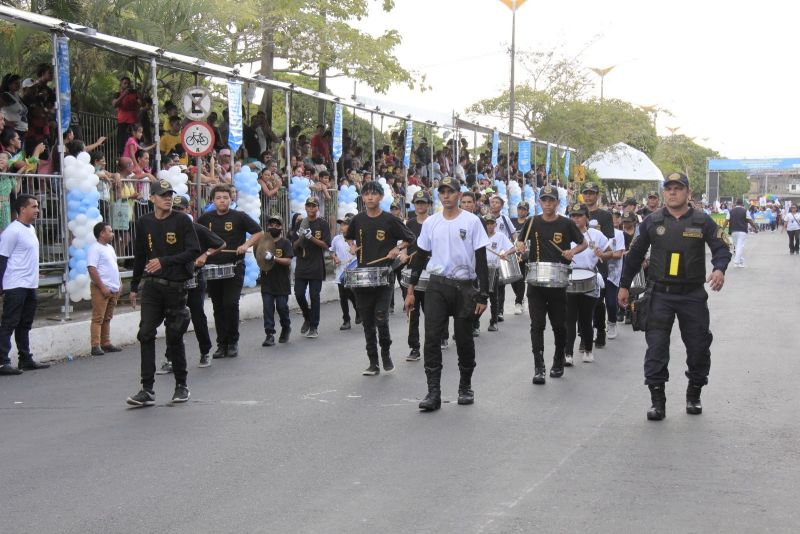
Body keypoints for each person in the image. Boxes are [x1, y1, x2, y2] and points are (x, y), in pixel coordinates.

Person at [618, 172, 732, 421]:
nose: (672, 192)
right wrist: (624, 285)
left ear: (688, 193)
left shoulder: (703, 221)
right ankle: (657, 400)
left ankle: (694, 392)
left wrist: (719, 268)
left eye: (678, 188)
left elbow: (722, 247)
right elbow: (635, 254)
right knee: (656, 348)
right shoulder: (651, 221)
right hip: (660, 294)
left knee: (699, 347)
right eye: (668, 188)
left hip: (692, 295)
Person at [404, 177, 490, 411]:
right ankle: (433, 392)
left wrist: (484, 295)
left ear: (459, 194)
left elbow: (481, 260)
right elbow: (420, 256)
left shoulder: (472, 221)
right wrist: (411, 289)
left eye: (450, 192)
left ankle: (465, 386)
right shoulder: (431, 223)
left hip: (464, 288)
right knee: (431, 338)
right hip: (437, 287)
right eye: (442, 191)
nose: (446, 196)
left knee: (463, 339)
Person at [126, 180, 200, 406]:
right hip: (152, 287)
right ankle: (146, 389)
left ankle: (181, 385)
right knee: (145, 333)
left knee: (174, 336)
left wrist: (164, 261)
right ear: (152, 198)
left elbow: (193, 250)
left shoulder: (182, 221)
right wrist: (133, 285)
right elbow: (140, 255)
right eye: (163, 194)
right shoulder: (144, 222)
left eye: (170, 194)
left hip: (176, 286)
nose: (167, 198)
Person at [515, 185, 586, 384]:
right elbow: (519, 242)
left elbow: (583, 243)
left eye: (551, 200)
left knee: (559, 326)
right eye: (544, 200)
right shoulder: (532, 222)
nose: (547, 204)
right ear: (540, 202)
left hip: (558, 282)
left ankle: (557, 360)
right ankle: (539, 367)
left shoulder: (566, 224)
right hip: (536, 283)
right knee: (537, 325)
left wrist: (572, 252)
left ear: (557, 202)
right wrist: (519, 245)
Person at [344, 181, 416, 375]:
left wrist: (397, 248)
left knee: (381, 318)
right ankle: (373, 362)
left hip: (384, 274)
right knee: (367, 321)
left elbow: (410, 238)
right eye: (366, 194)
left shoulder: (390, 220)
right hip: (362, 277)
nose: (369, 197)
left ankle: (386, 352)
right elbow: (348, 237)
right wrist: (352, 246)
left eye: (373, 194)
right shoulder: (357, 220)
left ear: (381, 197)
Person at [156, 195, 225, 373]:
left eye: (181, 209)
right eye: (175, 209)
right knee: (172, 318)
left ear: (188, 210)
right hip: (173, 279)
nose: (178, 212)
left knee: (197, 315)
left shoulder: (197, 228)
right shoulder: (164, 229)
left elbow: (220, 243)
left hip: (194, 277)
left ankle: (205, 351)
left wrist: (205, 255)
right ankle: (171, 358)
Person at [197, 184, 263, 358]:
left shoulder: (239, 216)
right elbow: (195, 236)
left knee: (230, 304)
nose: (222, 201)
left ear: (231, 199)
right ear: (213, 200)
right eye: (218, 198)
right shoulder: (205, 219)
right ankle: (221, 343)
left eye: (225, 198)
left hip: (234, 266)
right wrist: (203, 254)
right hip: (212, 268)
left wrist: (245, 245)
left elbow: (258, 233)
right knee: (218, 307)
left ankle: (233, 341)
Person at [0, 194, 49, 375]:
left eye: (37, 206)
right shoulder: (12, 231)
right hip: (15, 284)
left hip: (30, 284)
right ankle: (2, 361)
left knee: (25, 323)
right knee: (9, 323)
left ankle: (25, 358)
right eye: (34, 206)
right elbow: (2, 258)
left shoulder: (31, 229)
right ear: (22, 209)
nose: (37, 210)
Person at [564, 204, 611, 366]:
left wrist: (602, 254)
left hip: (589, 277)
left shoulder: (595, 235)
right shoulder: (565, 234)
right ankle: (568, 353)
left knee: (585, 318)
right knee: (569, 319)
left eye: (579, 215)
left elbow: (610, 251)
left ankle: (588, 350)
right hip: (570, 278)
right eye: (573, 215)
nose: (576, 218)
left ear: (586, 218)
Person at [397, 190, 439, 361]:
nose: (420, 205)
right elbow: (403, 244)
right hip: (412, 273)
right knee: (412, 313)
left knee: (432, 313)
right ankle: (414, 347)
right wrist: (403, 254)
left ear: (429, 205)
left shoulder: (436, 222)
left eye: (423, 202)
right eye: (417, 203)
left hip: (431, 273)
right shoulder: (409, 224)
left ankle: (435, 342)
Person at [581, 182, 615, 349]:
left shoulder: (605, 215)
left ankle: (600, 330)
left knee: (597, 299)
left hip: (598, 262)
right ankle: (583, 335)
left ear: (597, 195)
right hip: (580, 262)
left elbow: (609, 239)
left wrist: (601, 252)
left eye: (591, 193)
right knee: (580, 299)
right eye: (585, 193)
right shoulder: (575, 212)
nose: (588, 196)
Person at [293, 197, 332, 339]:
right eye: (308, 206)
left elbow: (327, 245)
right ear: (305, 208)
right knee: (298, 293)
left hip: (316, 264)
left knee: (314, 296)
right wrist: (300, 238)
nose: (311, 208)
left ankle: (314, 326)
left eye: (313, 206)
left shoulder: (322, 223)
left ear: (317, 208)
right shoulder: (300, 224)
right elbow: (294, 246)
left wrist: (311, 238)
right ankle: (307, 316)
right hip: (302, 264)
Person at [87, 222, 122, 356]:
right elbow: (92, 269)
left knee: (107, 317)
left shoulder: (109, 248)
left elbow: (114, 267)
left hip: (113, 288)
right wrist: (102, 287)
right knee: (98, 317)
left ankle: (105, 342)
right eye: (110, 231)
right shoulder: (94, 248)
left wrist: (118, 284)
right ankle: (95, 345)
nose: (112, 234)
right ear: (102, 233)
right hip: (101, 289)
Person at [260, 216, 294, 346]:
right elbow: (259, 259)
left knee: (281, 307)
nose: (273, 227)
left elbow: (288, 261)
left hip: (281, 282)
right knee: (267, 308)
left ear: (281, 227)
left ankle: (286, 327)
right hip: (267, 281)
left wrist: (273, 258)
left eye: (276, 225)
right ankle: (269, 334)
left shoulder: (285, 243)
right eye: (271, 225)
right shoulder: (264, 243)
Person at [483, 214, 515, 332]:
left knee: (493, 296)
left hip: (493, 268)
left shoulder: (500, 236)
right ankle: (474, 324)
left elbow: (513, 248)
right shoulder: (479, 236)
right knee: (477, 296)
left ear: (496, 225)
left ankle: (494, 321)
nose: (490, 226)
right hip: (480, 269)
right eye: (487, 224)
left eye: (492, 224)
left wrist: (505, 253)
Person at [330, 213, 358, 330]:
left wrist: (354, 248)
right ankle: (346, 320)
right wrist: (335, 257)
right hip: (341, 270)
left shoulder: (357, 238)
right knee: (343, 296)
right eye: (341, 224)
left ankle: (358, 311)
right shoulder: (337, 239)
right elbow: (332, 250)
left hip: (353, 269)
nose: (342, 226)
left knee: (352, 293)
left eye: (344, 224)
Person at [605, 212, 627, 339]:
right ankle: (597, 328)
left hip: (613, 274)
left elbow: (619, 254)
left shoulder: (618, 234)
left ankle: (612, 323)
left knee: (611, 302)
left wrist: (603, 255)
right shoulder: (597, 233)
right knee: (596, 302)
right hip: (599, 271)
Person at [510, 201, 531, 315]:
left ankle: (518, 302)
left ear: (527, 211)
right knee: (513, 278)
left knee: (520, 277)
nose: (521, 211)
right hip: (513, 252)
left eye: (523, 209)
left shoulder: (529, 222)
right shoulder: (512, 221)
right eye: (519, 209)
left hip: (524, 253)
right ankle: (520, 296)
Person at [725, 198, 758, 266]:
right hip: (742, 231)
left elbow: (726, 221)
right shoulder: (745, 211)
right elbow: (750, 221)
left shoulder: (731, 211)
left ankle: (740, 261)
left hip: (733, 230)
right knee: (740, 246)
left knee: (737, 246)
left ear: (736, 203)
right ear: (742, 204)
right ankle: (736, 261)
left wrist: (722, 229)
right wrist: (755, 228)